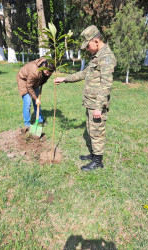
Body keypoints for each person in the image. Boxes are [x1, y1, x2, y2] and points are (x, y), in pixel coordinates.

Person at [54, 25, 116, 171]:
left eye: (88, 45)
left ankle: (98, 161)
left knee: (97, 131)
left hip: (96, 103)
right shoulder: (97, 56)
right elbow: (84, 73)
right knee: (91, 129)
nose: (87, 48)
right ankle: (94, 155)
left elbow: (106, 85)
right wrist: (64, 79)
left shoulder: (106, 57)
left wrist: (99, 108)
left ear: (96, 41)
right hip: (90, 102)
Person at [17, 57, 55, 129]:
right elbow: (29, 87)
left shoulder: (48, 66)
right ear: (44, 67)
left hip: (36, 81)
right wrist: (35, 98)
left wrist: (42, 81)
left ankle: (40, 120)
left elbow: (45, 76)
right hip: (24, 81)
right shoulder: (34, 71)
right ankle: (27, 124)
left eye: (50, 73)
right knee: (28, 103)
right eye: (47, 72)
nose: (48, 75)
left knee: (37, 103)